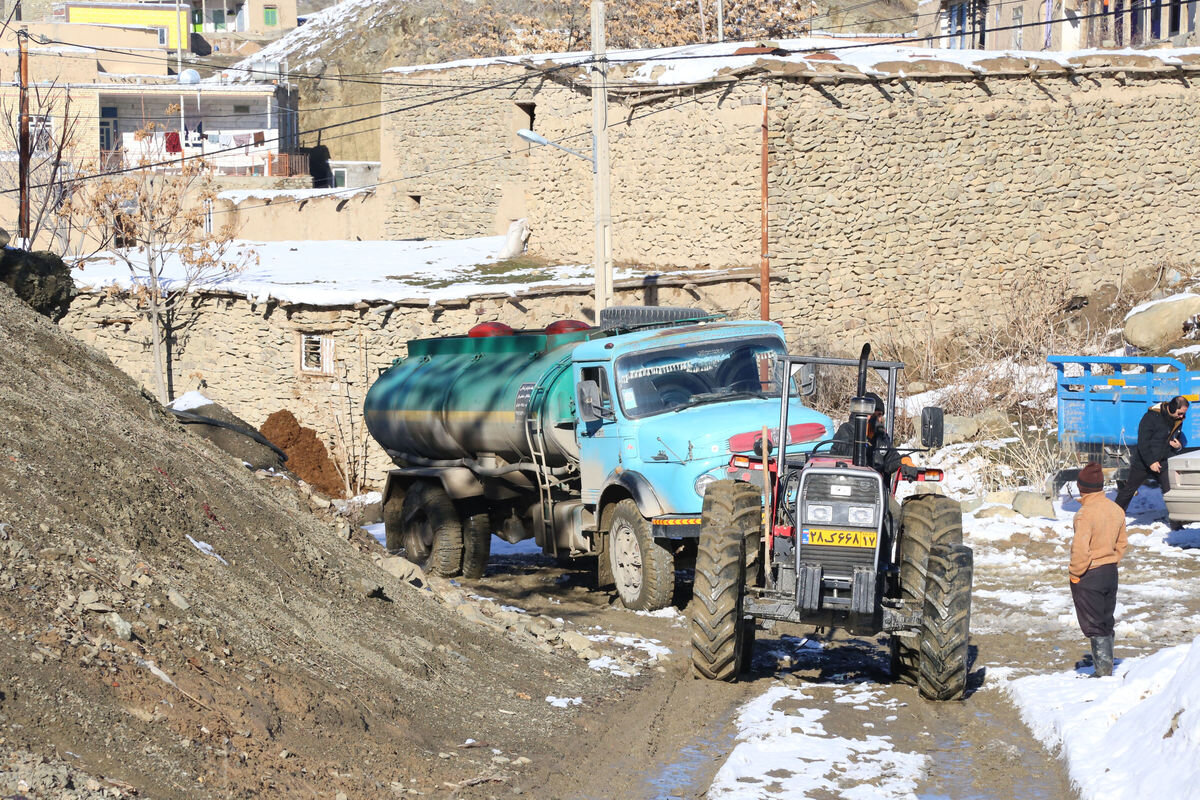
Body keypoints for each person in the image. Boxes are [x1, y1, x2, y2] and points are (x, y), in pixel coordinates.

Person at [1070, 461, 1128, 678]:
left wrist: (1075, 574)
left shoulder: (1085, 514)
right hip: (1110, 572)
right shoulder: (1116, 509)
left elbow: (1080, 549)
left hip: (1090, 574)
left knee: (1095, 624)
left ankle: (1103, 672)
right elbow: (1122, 543)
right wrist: (1112, 561)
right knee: (1106, 619)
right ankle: (1106, 668)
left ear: (1081, 487)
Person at [1114, 396, 1189, 511]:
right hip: (1144, 461)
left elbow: (1176, 438)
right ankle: (1114, 516)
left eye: (1183, 414)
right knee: (1128, 490)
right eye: (1180, 413)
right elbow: (1143, 443)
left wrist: (1179, 446)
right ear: (1173, 408)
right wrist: (1151, 462)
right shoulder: (1151, 417)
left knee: (1170, 492)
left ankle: (1176, 522)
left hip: (1163, 462)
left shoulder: (1177, 420)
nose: (1182, 416)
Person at [831, 392, 905, 480]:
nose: (876, 419)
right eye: (872, 414)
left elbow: (891, 458)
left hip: (875, 487)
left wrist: (905, 461)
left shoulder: (882, 437)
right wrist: (866, 436)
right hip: (848, 482)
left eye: (879, 415)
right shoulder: (846, 430)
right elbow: (847, 457)